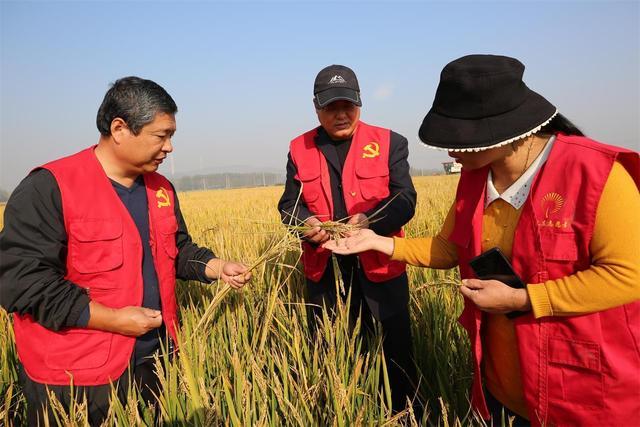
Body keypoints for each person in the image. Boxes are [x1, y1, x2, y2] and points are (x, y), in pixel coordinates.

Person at [323, 55, 640, 426]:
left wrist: (523, 299)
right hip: (500, 390)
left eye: (458, 139)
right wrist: (378, 242)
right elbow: (449, 248)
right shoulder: (475, 177)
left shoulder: (597, 174)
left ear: (506, 133)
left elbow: (628, 274)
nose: (450, 150)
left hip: (580, 393)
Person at [0, 76, 252, 425]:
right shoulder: (49, 187)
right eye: (161, 135)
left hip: (155, 364)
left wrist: (215, 266)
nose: (169, 148)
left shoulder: (160, 188)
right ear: (119, 129)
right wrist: (114, 319)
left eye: (171, 136)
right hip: (78, 378)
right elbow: (23, 282)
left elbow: (176, 248)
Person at [278, 64, 419, 412]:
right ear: (316, 107)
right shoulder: (299, 148)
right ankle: (342, 411)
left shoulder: (390, 142)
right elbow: (287, 204)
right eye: (331, 107)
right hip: (325, 272)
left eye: (348, 105)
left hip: (380, 267)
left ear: (359, 103)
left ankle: (405, 415)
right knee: (331, 349)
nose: (341, 114)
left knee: (395, 355)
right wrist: (307, 222)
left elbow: (405, 199)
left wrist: (369, 220)